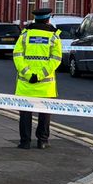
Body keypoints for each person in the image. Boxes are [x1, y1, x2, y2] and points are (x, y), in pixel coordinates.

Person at [12, 8, 61, 149]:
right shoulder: (54, 36)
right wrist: (40, 75)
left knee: (25, 115)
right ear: (48, 19)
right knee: (44, 115)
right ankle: (42, 141)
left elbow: (17, 56)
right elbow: (56, 60)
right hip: (45, 85)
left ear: (35, 19)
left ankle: (25, 142)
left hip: (25, 84)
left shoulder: (25, 35)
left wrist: (28, 74)